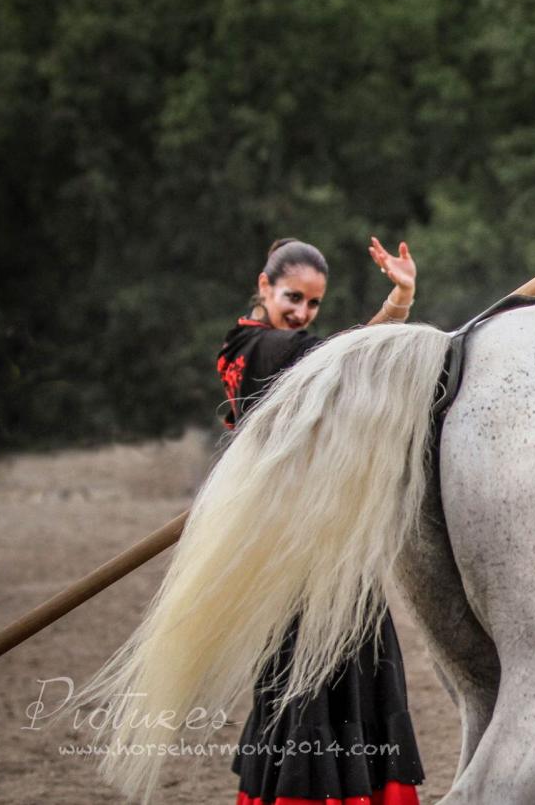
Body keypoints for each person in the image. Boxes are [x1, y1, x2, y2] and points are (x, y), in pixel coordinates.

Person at [219, 236, 425, 805]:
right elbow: (347, 359)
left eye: (312, 304)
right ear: (264, 286)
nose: (301, 312)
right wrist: (399, 313)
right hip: (297, 542)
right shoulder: (259, 347)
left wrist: (400, 301)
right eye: (292, 297)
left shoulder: (263, 346)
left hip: (311, 534)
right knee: (312, 676)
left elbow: (343, 355)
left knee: (347, 667)